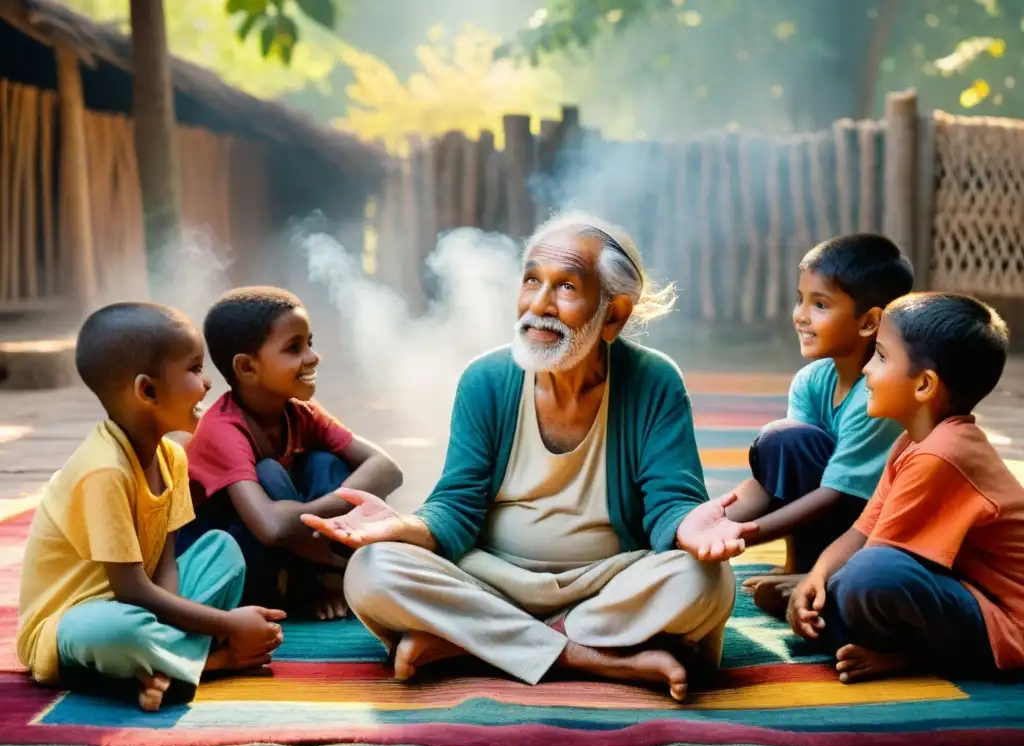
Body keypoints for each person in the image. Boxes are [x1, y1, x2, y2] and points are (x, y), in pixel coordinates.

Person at [303, 212, 755, 703]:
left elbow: (671, 502)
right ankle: (584, 655)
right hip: (490, 577)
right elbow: (455, 508)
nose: (539, 305)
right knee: (372, 569)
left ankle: (470, 645)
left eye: (566, 287)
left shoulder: (654, 380)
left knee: (705, 580)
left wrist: (690, 527)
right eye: (531, 281)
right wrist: (400, 528)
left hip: (607, 583)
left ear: (614, 315)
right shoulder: (486, 380)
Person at [17, 303, 286, 713]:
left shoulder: (172, 458)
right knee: (119, 631)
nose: (208, 382)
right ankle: (212, 662)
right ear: (147, 391)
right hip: (75, 622)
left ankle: (155, 668)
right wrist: (228, 626)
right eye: (195, 370)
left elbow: (166, 565)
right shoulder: (104, 470)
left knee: (222, 550)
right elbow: (131, 590)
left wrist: (171, 624)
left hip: (142, 608)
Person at [787, 293, 1024, 683]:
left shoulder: (943, 455)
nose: (865, 369)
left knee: (867, 577)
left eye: (880, 356)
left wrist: (819, 595)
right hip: (968, 598)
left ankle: (914, 656)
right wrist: (817, 575)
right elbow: (864, 528)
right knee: (842, 588)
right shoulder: (913, 441)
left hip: (1009, 623)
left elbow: (876, 565)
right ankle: (881, 639)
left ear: (924, 385)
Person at [178, 287, 403, 621]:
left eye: (309, 343)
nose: (312, 357)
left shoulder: (300, 412)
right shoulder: (222, 428)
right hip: (230, 563)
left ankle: (325, 578)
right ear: (247, 368)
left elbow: (387, 468)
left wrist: (313, 518)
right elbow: (271, 527)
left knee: (325, 463)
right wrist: (332, 525)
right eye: (294, 348)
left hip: (294, 544)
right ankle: (320, 581)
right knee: (269, 472)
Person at [723, 234, 914, 615]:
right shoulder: (813, 380)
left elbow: (838, 495)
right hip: (834, 516)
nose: (801, 315)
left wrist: (744, 535)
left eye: (820, 304)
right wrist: (713, 520)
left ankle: (820, 578)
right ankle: (802, 569)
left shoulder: (874, 397)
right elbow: (779, 475)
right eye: (800, 299)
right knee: (783, 440)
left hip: (875, 534)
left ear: (869, 322)